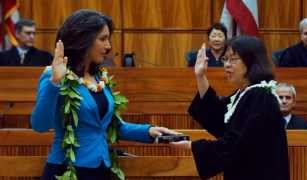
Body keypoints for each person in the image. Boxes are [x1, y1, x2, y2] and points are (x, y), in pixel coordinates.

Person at [31, 9, 177, 180]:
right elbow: (39, 125)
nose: (108, 46)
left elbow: (111, 126)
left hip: (101, 169)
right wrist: (55, 82)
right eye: (103, 39)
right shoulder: (53, 75)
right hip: (67, 169)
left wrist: (149, 131)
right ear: (83, 39)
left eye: (108, 39)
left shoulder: (100, 78)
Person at [171, 36, 290, 180]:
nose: (226, 65)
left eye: (232, 59)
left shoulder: (260, 96)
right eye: (225, 59)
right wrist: (200, 76)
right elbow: (218, 120)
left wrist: (193, 146)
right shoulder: (245, 93)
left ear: (251, 61)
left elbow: (236, 143)